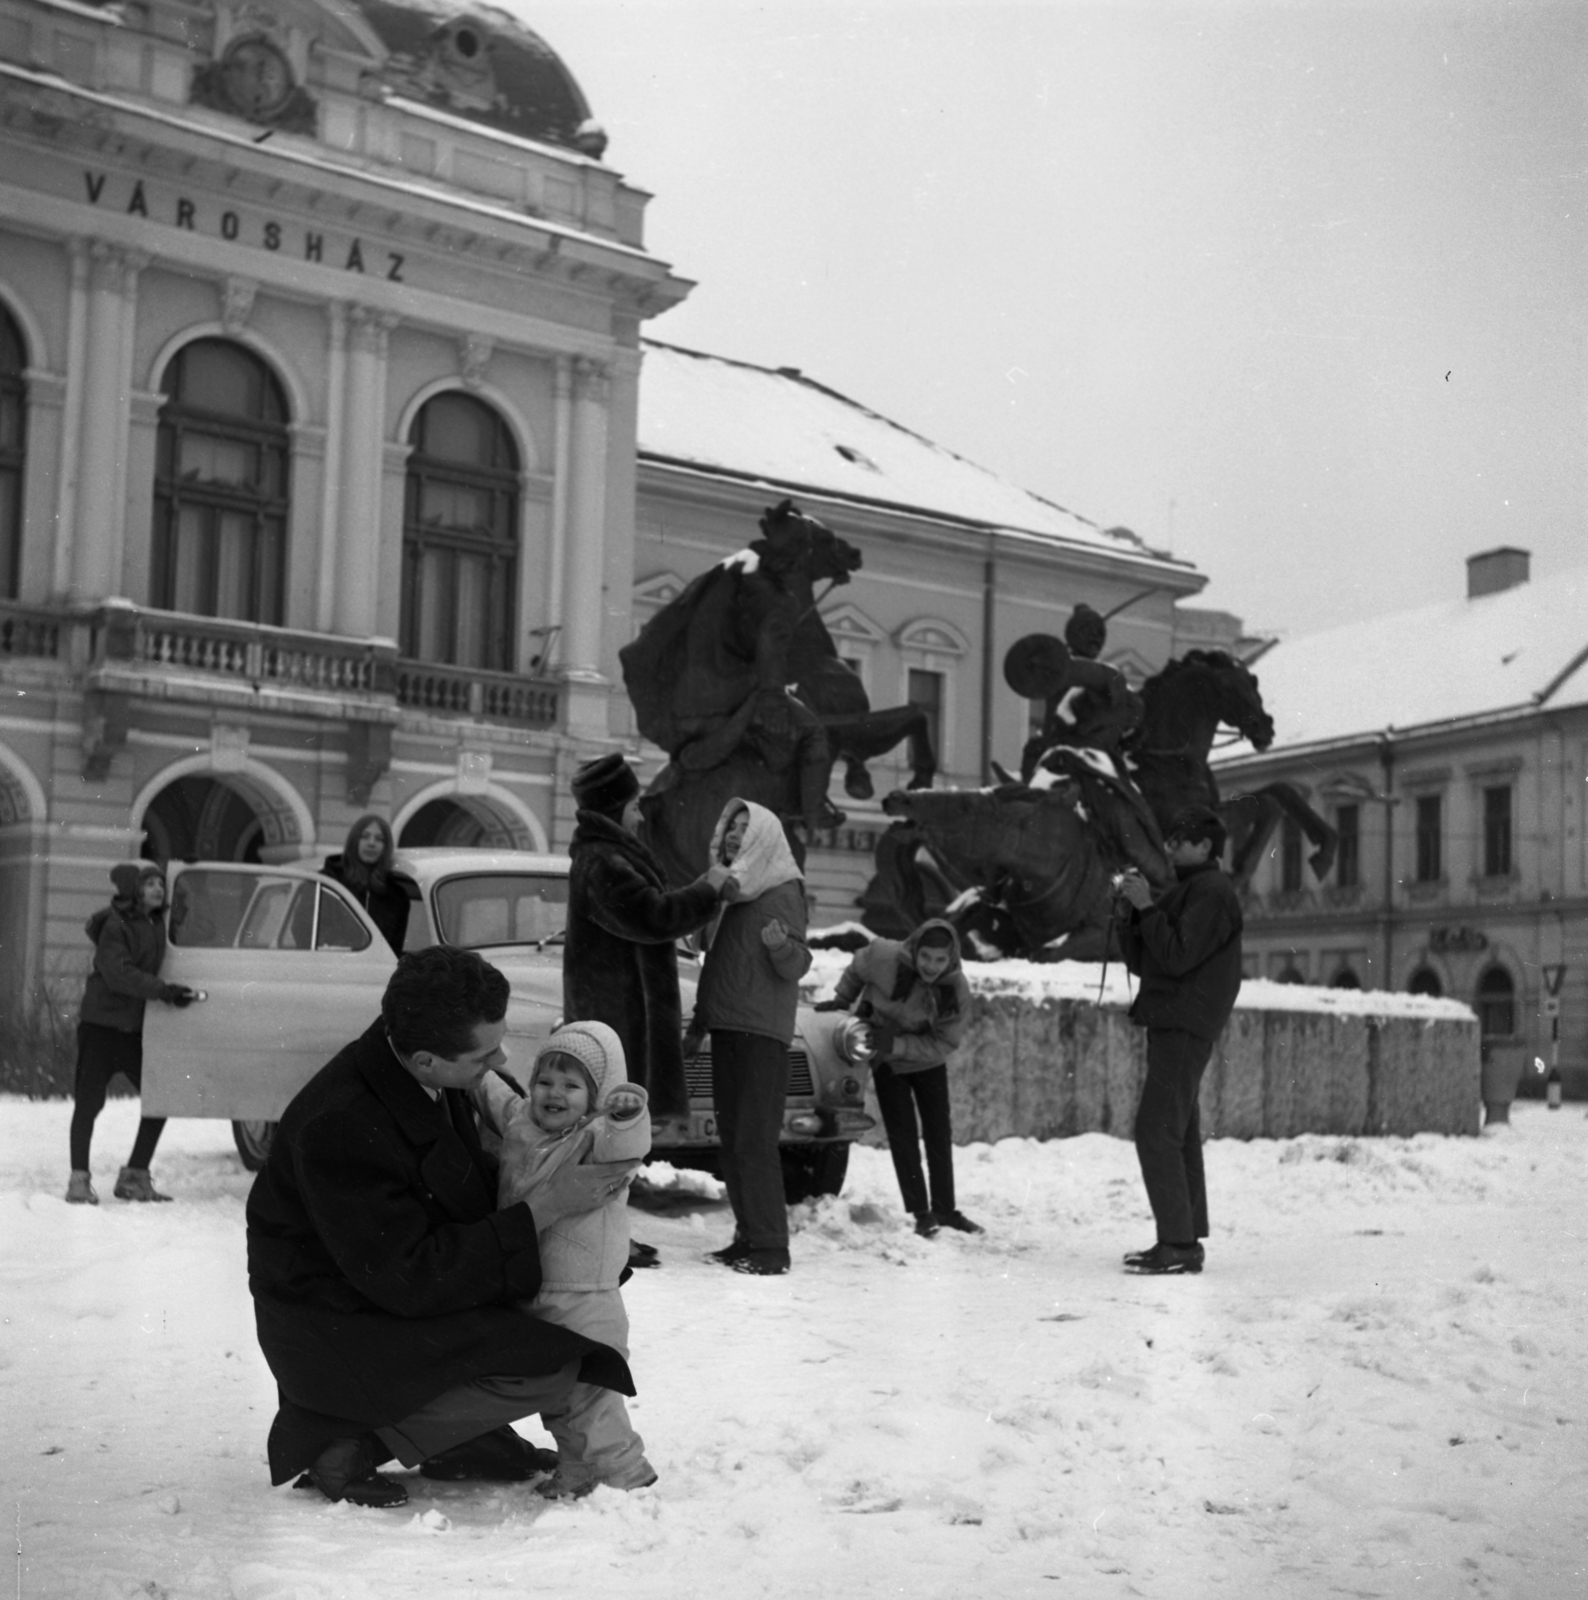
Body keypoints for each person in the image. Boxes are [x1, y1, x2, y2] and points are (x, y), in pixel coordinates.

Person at [245, 946, 641, 1509]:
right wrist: (545, 1210)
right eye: (484, 1054)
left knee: (554, 1311)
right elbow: (410, 1275)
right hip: (337, 1325)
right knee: (549, 1367)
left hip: (391, 1293)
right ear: (428, 1060)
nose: (500, 1059)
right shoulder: (342, 1122)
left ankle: (461, 1438)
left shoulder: (417, 1066)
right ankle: (347, 1443)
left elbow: (461, 1189)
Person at [475, 1021, 656, 1499]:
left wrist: (625, 1112)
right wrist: (479, 1066)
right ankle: (581, 1469)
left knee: (590, 1394)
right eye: (545, 1081)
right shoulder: (521, 1121)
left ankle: (623, 1474)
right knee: (560, 1394)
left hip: (585, 1294)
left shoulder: (597, 1137)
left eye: (572, 1085)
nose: (554, 1094)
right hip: (536, 1288)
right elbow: (491, 1093)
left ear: (597, 1095)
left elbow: (630, 1143)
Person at [1113, 804, 1244, 1276]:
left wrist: (1147, 907)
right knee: (1179, 1130)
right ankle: (1183, 1238)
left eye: (1178, 840)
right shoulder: (1193, 890)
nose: (1169, 848)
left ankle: (1179, 1243)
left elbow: (1176, 955)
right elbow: (1148, 958)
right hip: (1176, 1020)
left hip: (1184, 1022)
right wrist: (1132, 914)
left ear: (1206, 846)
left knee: (1156, 1130)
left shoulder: (1210, 891)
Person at [690, 798, 811, 1276]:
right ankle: (748, 1235)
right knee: (734, 1141)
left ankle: (770, 1247)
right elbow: (717, 963)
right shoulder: (735, 891)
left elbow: (798, 964)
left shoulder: (782, 889)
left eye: (746, 828)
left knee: (754, 1142)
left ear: (764, 835)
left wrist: (781, 946)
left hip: (761, 1032)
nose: (736, 835)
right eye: (732, 827)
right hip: (727, 1024)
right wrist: (702, 1020)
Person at [819, 918, 981, 1238]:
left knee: (938, 1132)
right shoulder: (884, 956)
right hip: (885, 1059)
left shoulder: (955, 989)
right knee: (902, 1135)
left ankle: (945, 1209)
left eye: (940, 959)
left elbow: (946, 1042)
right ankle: (921, 1213)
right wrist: (842, 998)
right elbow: (857, 966)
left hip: (925, 1059)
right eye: (925, 957)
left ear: (952, 959)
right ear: (915, 950)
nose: (931, 966)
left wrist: (899, 1045)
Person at [65, 862, 196, 1205]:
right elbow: (118, 973)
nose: (158, 889)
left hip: (134, 1030)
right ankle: (79, 1181)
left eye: (160, 884)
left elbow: (192, 920)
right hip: (101, 1028)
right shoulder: (115, 923)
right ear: (135, 890)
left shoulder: (157, 924)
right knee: (89, 1104)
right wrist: (163, 990)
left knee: (160, 1097)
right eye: (150, 884)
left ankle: (135, 1178)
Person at [321, 812, 408, 955]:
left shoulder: (397, 897)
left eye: (379, 839)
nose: (371, 843)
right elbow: (306, 930)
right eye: (364, 836)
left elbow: (393, 951)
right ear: (354, 841)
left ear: (386, 847)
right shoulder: (329, 882)